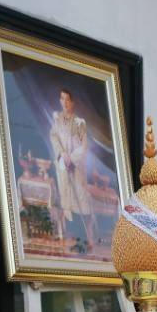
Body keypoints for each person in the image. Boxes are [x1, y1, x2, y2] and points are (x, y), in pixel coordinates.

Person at [49, 88, 97, 247]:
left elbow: (84, 146)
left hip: (76, 167)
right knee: (66, 199)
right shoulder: (57, 120)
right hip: (63, 165)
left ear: (73, 103)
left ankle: (89, 236)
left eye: (67, 100)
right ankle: (70, 236)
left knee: (81, 199)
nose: (64, 102)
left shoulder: (79, 123)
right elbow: (54, 137)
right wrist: (63, 155)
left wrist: (72, 158)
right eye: (62, 99)